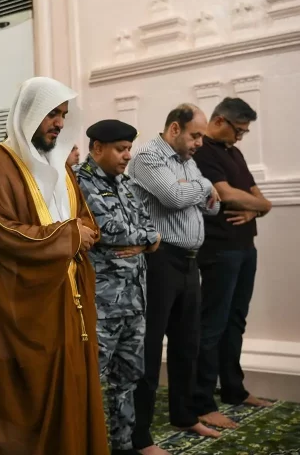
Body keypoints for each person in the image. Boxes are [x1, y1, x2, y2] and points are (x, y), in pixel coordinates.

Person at [0, 76, 109, 455]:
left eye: (63, 115)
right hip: (22, 309)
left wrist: (78, 232)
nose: (59, 123)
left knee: (73, 393)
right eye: (51, 113)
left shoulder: (60, 166)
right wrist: (69, 235)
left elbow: (86, 221)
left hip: (68, 304)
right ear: (28, 113)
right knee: (24, 404)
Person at [129, 104, 221, 455]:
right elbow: (175, 196)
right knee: (149, 349)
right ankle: (140, 437)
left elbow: (213, 206)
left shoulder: (186, 161)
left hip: (189, 262)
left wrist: (196, 187)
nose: (199, 143)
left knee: (187, 345)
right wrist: (203, 186)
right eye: (195, 135)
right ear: (174, 129)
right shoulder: (148, 157)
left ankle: (184, 416)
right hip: (159, 260)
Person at [76, 120, 161, 455]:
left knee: (127, 380)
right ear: (97, 148)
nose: (127, 156)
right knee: (90, 381)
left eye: (129, 149)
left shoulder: (124, 184)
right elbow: (108, 230)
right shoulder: (80, 181)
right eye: (120, 149)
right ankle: (88, 446)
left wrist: (147, 238)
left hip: (134, 301)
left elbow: (149, 225)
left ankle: (123, 445)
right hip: (102, 304)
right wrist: (147, 239)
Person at [189, 97, 273, 429]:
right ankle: (202, 402)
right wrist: (260, 205)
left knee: (236, 321)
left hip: (245, 247)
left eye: (244, 132)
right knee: (213, 325)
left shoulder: (234, 153)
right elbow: (225, 194)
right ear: (220, 121)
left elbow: (257, 196)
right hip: (219, 249)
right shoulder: (204, 152)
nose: (240, 137)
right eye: (238, 130)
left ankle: (233, 389)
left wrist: (256, 208)